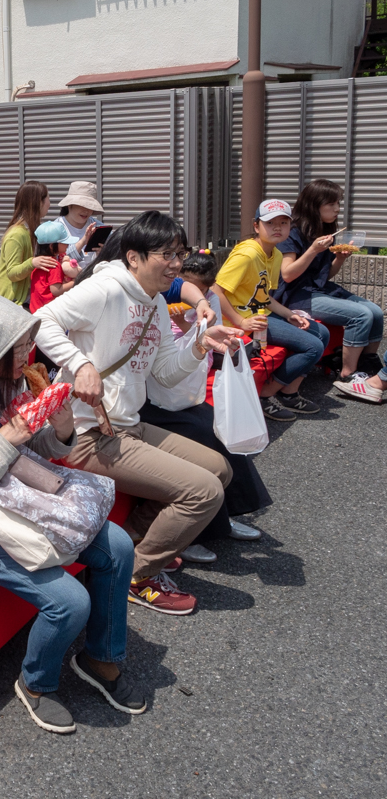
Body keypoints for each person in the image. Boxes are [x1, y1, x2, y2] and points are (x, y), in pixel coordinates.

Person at [0, 291, 145, 734]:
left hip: (27, 504)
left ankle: (101, 658)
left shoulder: (11, 384)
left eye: (30, 341)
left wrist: (61, 425)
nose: (31, 352)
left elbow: (37, 448)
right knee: (69, 603)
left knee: (120, 546)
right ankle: (36, 683)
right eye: (21, 344)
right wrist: (6, 438)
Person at [34, 210, 245, 616]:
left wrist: (201, 344)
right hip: (86, 432)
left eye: (179, 253)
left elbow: (165, 374)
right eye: (165, 254)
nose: (176, 264)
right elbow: (41, 320)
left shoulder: (158, 307)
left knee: (219, 468)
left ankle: (131, 546)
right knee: (203, 492)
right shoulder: (105, 290)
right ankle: (136, 575)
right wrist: (81, 364)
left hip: (126, 425)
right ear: (133, 257)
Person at [142, 249, 267, 561]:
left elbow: (201, 344)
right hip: (150, 400)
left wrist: (200, 313)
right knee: (204, 434)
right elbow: (164, 360)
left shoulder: (197, 299)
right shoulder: (149, 299)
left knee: (220, 429)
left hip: (180, 393)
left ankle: (227, 516)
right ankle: (194, 531)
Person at [213, 199, 330, 422]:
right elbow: (215, 291)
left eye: (284, 222)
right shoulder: (247, 255)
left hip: (260, 314)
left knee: (321, 333)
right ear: (256, 226)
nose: (278, 227)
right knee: (313, 347)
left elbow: (263, 297)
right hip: (243, 321)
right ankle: (265, 396)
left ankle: (289, 393)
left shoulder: (275, 254)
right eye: (270, 223)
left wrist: (289, 314)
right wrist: (240, 321)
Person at [274, 179, 382, 387]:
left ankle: (366, 362)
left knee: (375, 311)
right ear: (314, 205)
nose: (337, 209)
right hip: (296, 295)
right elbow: (287, 275)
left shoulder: (324, 231)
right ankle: (348, 373)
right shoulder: (293, 232)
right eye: (331, 204)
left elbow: (324, 275)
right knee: (361, 315)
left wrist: (340, 258)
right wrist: (313, 250)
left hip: (318, 290)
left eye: (338, 203)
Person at [0, 181, 57, 306]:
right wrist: (32, 262)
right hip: (10, 302)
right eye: (48, 198)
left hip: (26, 301)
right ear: (39, 202)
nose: (50, 203)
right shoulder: (16, 234)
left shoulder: (35, 230)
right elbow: (12, 273)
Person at [29, 219, 77, 314]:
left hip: (35, 310)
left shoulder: (38, 262)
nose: (67, 244)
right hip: (48, 312)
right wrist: (74, 282)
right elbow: (56, 290)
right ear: (52, 246)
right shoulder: (54, 265)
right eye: (64, 242)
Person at [57, 181, 105, 265]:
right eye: (81, 205)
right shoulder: (55, 228)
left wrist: (103, 253)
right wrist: (83, 241)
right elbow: (59, 261)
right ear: (69, 204)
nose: (86, 210)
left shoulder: (99, 228)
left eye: (90, 206)